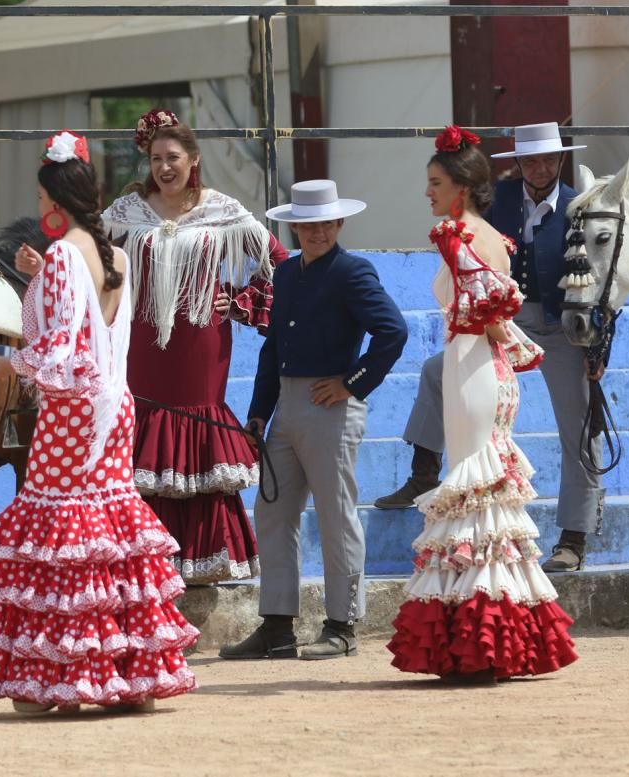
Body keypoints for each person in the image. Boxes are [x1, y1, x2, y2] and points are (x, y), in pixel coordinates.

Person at [0, 131, 197, 713]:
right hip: (117, 407)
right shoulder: (114, 254)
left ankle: (63, 677)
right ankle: (127, 672)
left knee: (64, 537)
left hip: (74, 413)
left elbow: (59, 356)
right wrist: (40, 273)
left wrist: (0, 358)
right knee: (107, 532)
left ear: (52, 200)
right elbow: (94, 328)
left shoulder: (67, 255)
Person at [387, 126, 578, 681]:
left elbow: (486, 314)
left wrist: (507, 341)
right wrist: (516, 345)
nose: (427, 192)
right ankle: (494, 635)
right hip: (479, 368)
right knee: (482, 488)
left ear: (460, 189)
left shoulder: (455, 234)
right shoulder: (490, 234)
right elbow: (499, 315)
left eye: (434, 183)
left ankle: (479, 638)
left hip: (472, 368)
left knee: (473, 482)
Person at [374, 121, 604, 573]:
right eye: (530, 159)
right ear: (517, 163)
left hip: (563, 327)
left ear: (560, 161)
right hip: (505, 316)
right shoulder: (495, 205)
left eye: (547, 159)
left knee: (578, 422)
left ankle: (574, 533)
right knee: (435, 372)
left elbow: (600, 281)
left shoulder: (582, 206)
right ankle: (424, 472)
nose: (539, 167)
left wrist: (597, 347)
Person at [219, 180, 407, 660]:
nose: (316, 231)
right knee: (273, 512)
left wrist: (352, 382)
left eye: (324, 223)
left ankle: (342, 625)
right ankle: (277, 626)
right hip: (287, 404)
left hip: (331, 405)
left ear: (339, 223)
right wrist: (258, 411)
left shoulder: (352, 271)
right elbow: (274, 345)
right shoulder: (285, 275)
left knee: (335, 515)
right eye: (306, 225)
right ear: (294, 227)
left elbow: (393, 331)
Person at [102, 108, 288, 584]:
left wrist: (242, 302)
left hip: (201, 341)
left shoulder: (221, 209)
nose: (165, 167)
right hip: (140, 344)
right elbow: (84, 258)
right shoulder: (126, 212)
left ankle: (203, 558)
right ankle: (144, 563)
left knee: (195, 426)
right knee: (143, 436)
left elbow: (279, 264)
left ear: (194, 159)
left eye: (174, 157)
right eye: (156, 158)